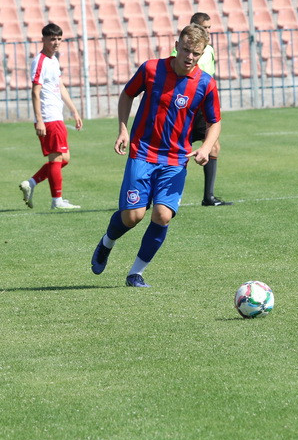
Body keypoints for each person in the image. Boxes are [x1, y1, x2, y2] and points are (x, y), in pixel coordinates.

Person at [90, 24, 221, 288]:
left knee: (162, 216)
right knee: (133, 216)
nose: (190, 57)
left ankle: (136, 273)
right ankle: (107, 242)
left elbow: (214, 121)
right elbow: (127, 94)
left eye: (196, 53)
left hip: (175, 160)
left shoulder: (206, 83)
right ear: (177, 45)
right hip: (142, 152)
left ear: (203, 53)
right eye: (186, 50)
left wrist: (206, 147)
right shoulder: (151, 69)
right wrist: (123, 129)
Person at [18, 23, 83, 210]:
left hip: (56, 116)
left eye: (59, 39)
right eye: (52, 39)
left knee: (64, 158)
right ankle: (57, 200)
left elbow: (60, 86)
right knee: (56, 159)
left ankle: (31, 183)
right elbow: (35, 91)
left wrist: (74, 110)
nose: (56, 42)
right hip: (48, 117)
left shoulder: (53, 60)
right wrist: (39, 119)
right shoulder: (40, 61)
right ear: (43, 40)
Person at [171, 13, 231, 206]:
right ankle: (166, 195)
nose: (208, 31)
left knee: (213, 146)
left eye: (209, 28)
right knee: (177, 150)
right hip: (186, 107)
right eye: (204, 28)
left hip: (203, 106)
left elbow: (208, 78)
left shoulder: (209, 50)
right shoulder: (182, 51)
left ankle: (208, 197)